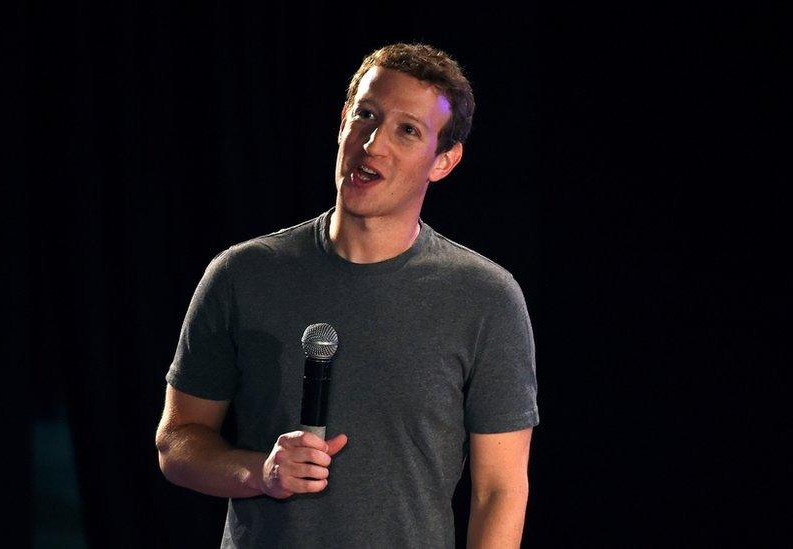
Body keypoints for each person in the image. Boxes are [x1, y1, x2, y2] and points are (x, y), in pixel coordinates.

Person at [156, 43, 539, 548]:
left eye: (408, 130)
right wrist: (259, 472)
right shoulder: (242, 275)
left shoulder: (485, 298)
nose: (374, 143)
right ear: (343, 122)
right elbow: (177, 443)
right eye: (366, 115)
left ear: (443, 161)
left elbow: (499, 491)